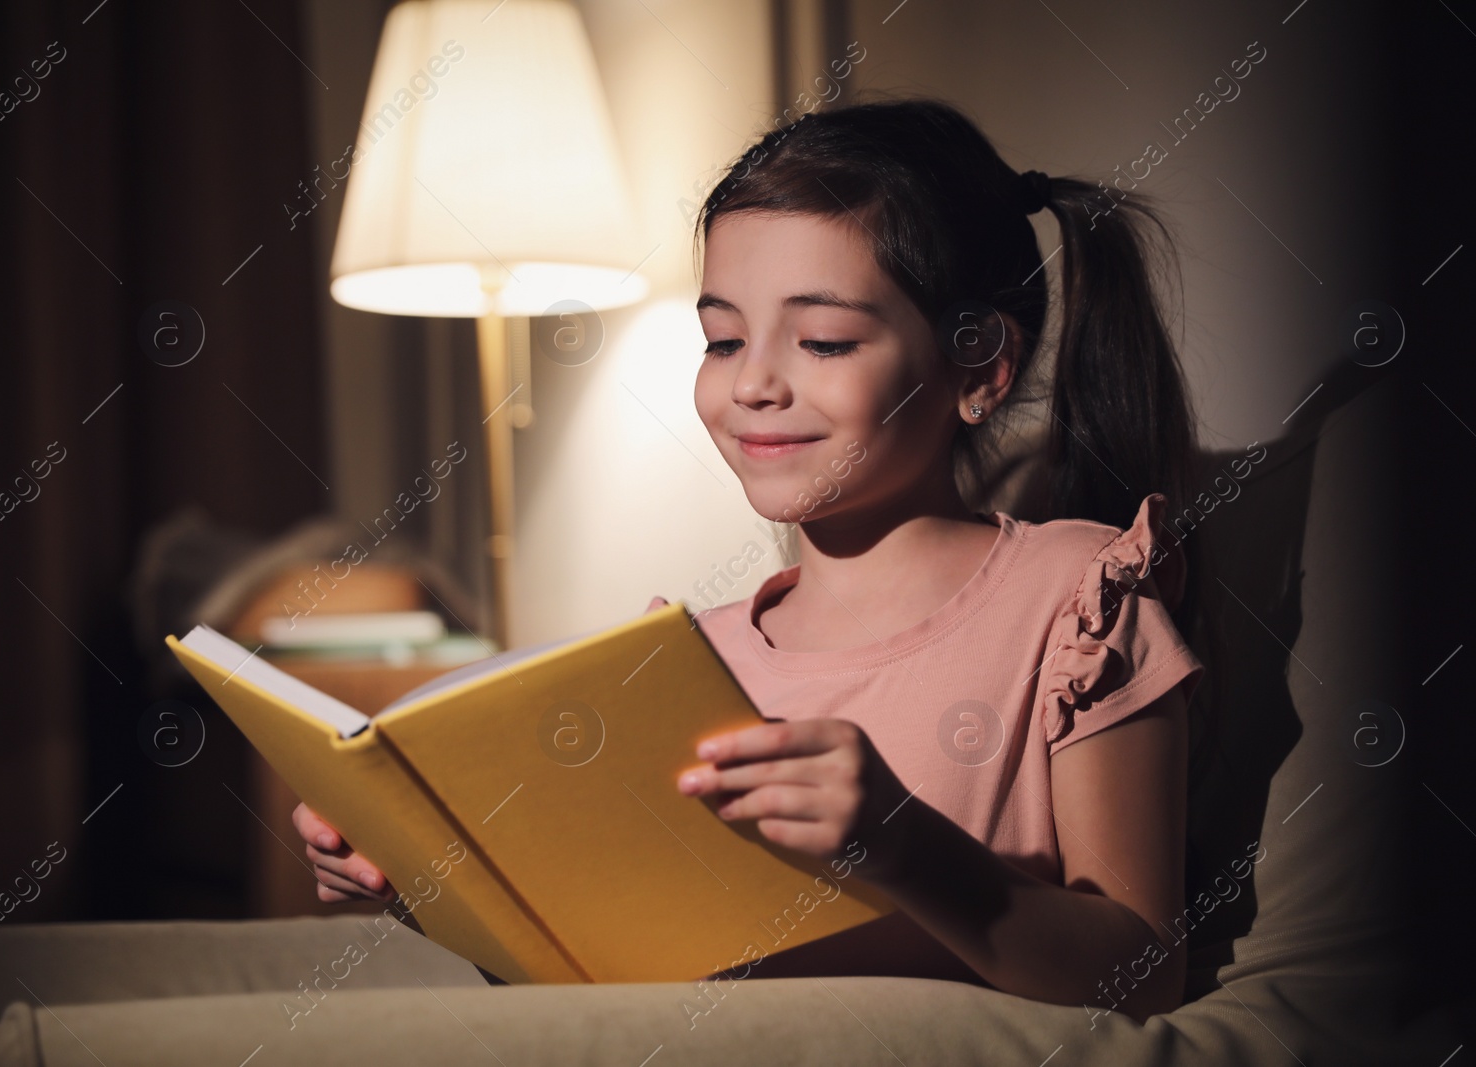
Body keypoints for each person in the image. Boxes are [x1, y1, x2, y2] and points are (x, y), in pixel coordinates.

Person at [293, 96, 1206, 1021]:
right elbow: (596, 979)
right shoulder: (678, 671)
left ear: (979, 368)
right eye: (722, 340)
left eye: (823, 341)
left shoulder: (1077, 597)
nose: (754, 383)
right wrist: (424, 880)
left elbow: (1142, 969)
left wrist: (900, 847)